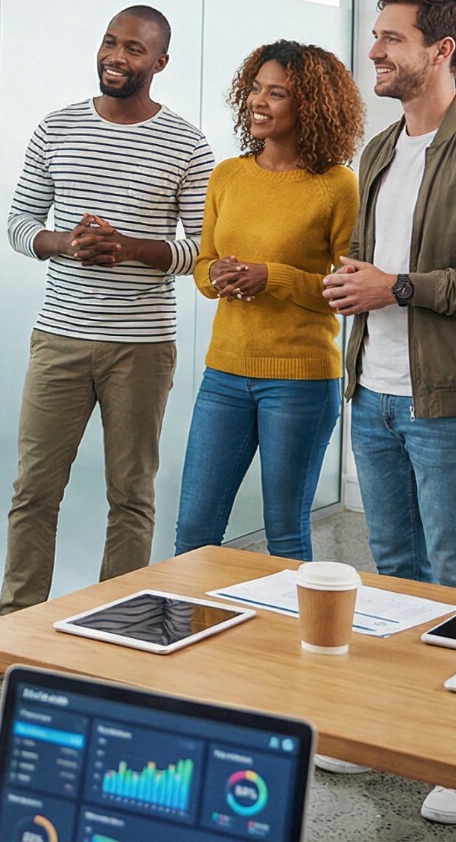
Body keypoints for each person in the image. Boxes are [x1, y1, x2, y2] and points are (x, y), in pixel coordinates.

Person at [318, 0, 456, 827]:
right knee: (395, 577)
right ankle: (401, 731)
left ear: (440, 51)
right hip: (372, 391)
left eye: (391, 38)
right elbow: (372, 265)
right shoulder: (380, 149)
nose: (374, 50)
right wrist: (358, 285)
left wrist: (398, 286)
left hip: (451, 397)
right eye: (376, 35)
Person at [0, 6, 213, 685]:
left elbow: (202, 251)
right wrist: (64, 242)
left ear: (160, 62)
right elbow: (19, 223)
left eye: (134, 48)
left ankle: (120, 638)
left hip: (142, 346)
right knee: (33, 489)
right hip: (60, 339)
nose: (117, 55)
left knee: (130, 494)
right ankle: (11, 634)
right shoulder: (57, 127)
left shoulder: (189, 146)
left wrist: (126, 246)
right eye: (109, 41)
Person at [173, 40, 363, 562]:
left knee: (284, 534)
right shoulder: (229, 174)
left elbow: (351, 292)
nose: (259, 101)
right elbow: (203, 268)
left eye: (276, 93)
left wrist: (273, 277)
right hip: (224, 375)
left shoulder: (338, 186)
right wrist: (223, 276)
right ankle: (192, 637)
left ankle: (288, 643)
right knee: (193, 532)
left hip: (300, 379)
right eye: (256, 88)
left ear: (311, 106)